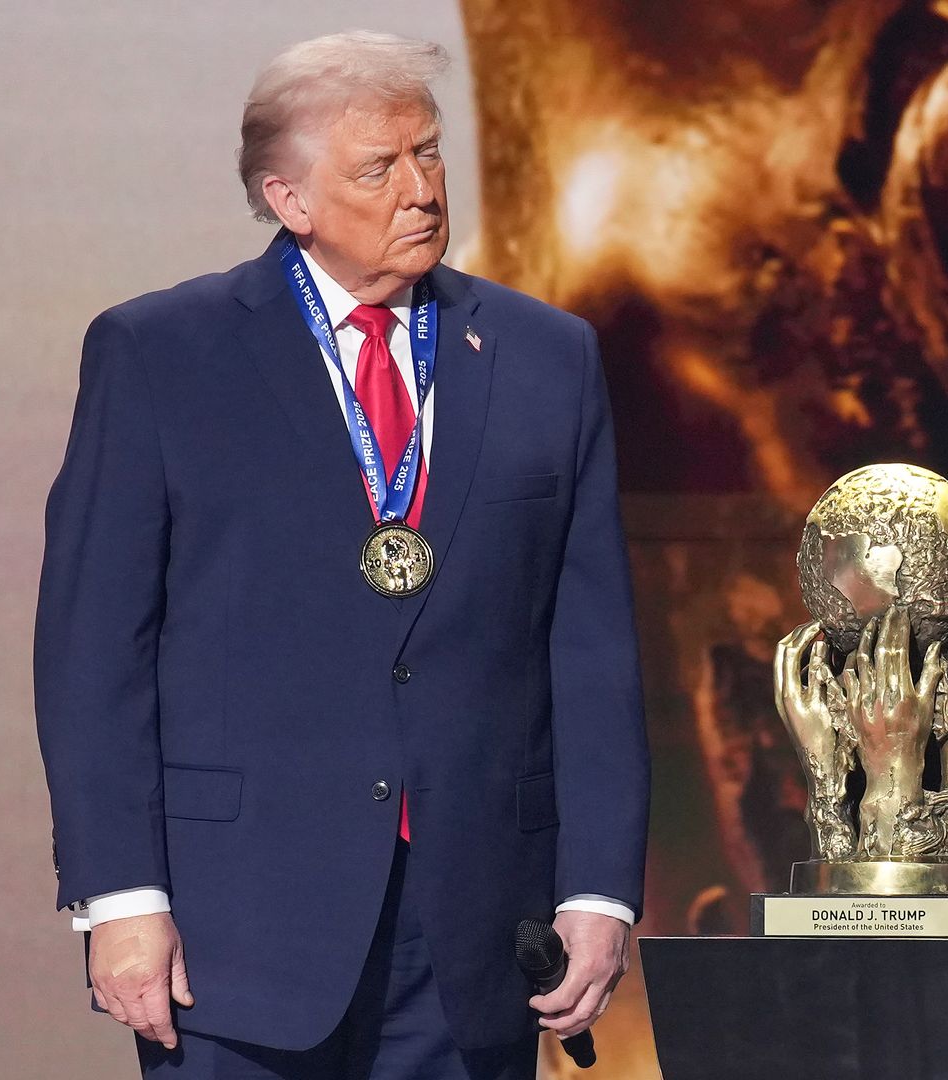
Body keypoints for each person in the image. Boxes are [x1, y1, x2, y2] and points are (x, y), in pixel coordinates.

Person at [34, 31, 649, 1079]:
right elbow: (96, 652)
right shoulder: (160, 355)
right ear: (291, 199)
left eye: (429, 153)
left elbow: (589, 650)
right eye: (379, 167)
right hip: (239, 928)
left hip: (476, 928)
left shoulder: (548, 357)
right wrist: (123, 897)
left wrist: (597, 890)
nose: (420, 190)